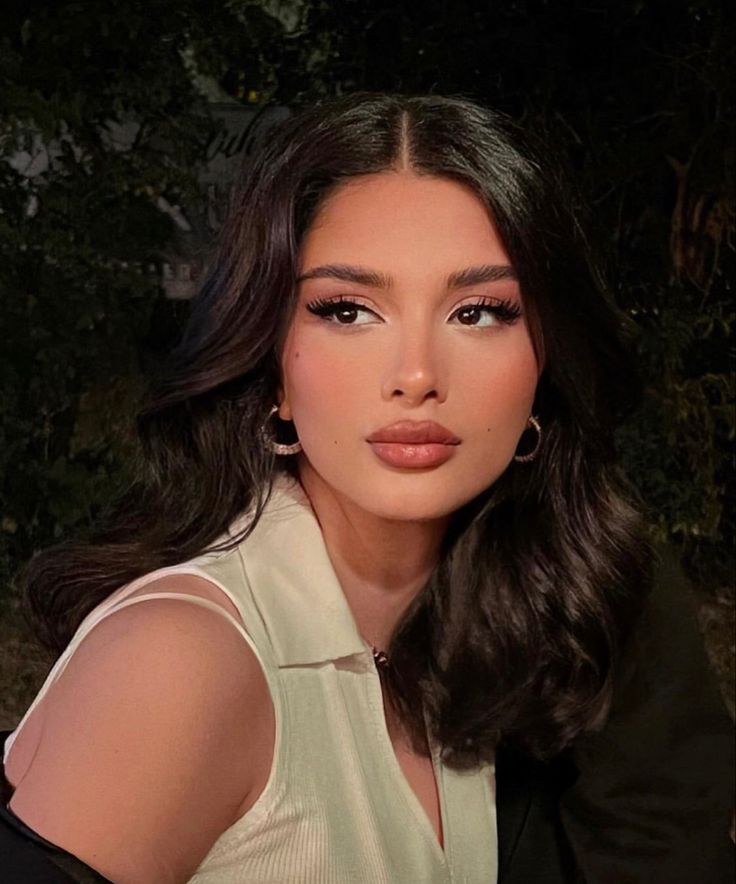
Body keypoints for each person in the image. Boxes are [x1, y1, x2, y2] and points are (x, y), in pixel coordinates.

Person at [1, 93, 732, 884]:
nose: (416, 376)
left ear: (544, 363)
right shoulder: (180, 662)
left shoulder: (535, 589)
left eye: (480, 312)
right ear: (272, 360)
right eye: (347, 310)